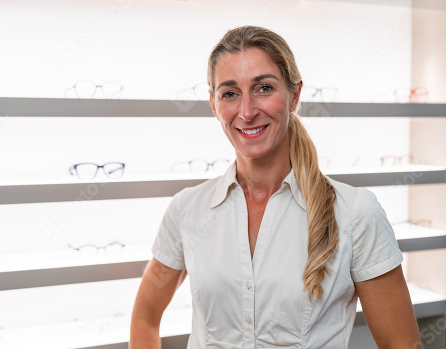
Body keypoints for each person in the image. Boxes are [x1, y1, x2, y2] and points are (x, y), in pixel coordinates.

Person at [130, 25, 421, 348]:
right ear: (213, 105)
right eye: (230, 93)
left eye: (264, 88)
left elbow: (402, 345)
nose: (247, 111)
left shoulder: (356, 213)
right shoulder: (187, 210)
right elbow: (145, 314)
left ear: (294, 95)